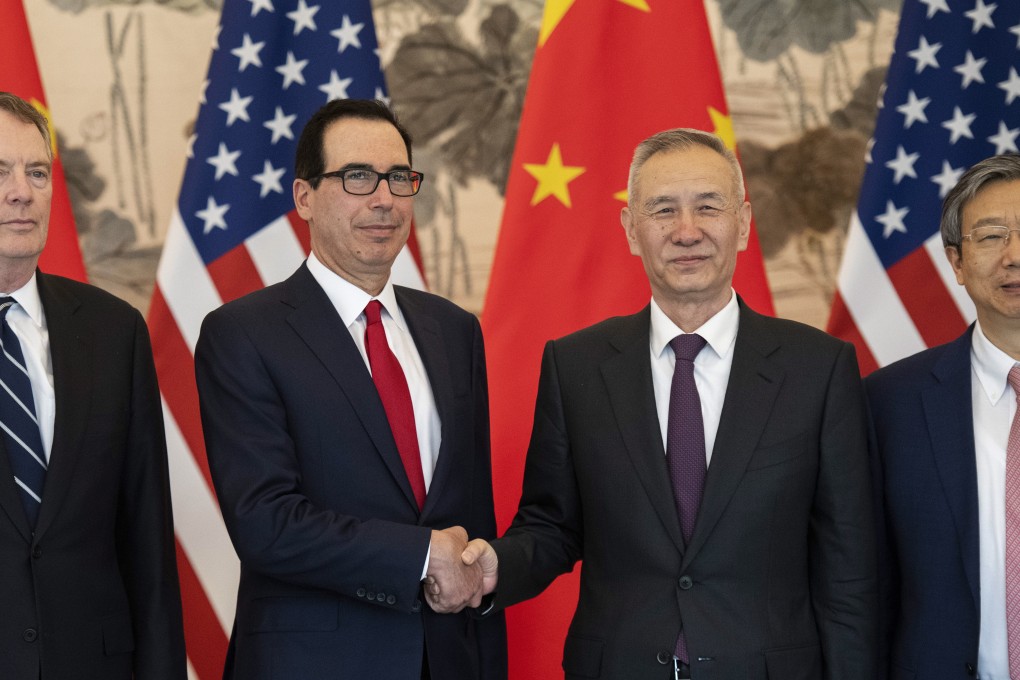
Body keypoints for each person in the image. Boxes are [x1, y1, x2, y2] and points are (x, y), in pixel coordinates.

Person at [439, 128, 877, 679]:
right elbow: (552, 526)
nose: (686, 231)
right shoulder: (576, 366)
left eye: (708, 207)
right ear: (631, 229)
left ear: (743, 223)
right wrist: (495, 568)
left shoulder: (819, 368)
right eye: (664, 209)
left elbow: (849, 568)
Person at [195, 98, 507, 680]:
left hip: (448, 658)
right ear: (304, 198)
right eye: (357, 177)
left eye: (398, 178)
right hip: (312, 664)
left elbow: (473, 518)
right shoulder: (243, 334)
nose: (384, 198)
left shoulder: (454, 330)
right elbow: (265, 523)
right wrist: (421, 555)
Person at [0, 91, 186, 679]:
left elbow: (147, 542)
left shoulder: (114, 331)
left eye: (37, 172)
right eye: (0, 171)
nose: (21, 192)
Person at [866, 153, 1020, 680]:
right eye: (992, 236)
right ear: (956, 262)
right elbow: (869, 583)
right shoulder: (889, 404)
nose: (1014, 256)